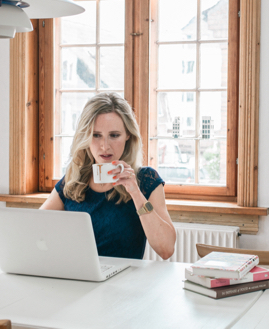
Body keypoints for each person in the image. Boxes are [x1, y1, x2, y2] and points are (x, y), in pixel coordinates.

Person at [40, 93, 176, 260]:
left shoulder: (146, 179)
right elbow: (36, 230)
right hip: (77, 279)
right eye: (96, 135)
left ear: (128, 135)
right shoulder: (73, 180)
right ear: (86, 136)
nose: (105, 146)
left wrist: (135, 193)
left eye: (114, 135)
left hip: (124, 282)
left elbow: (166, 249)